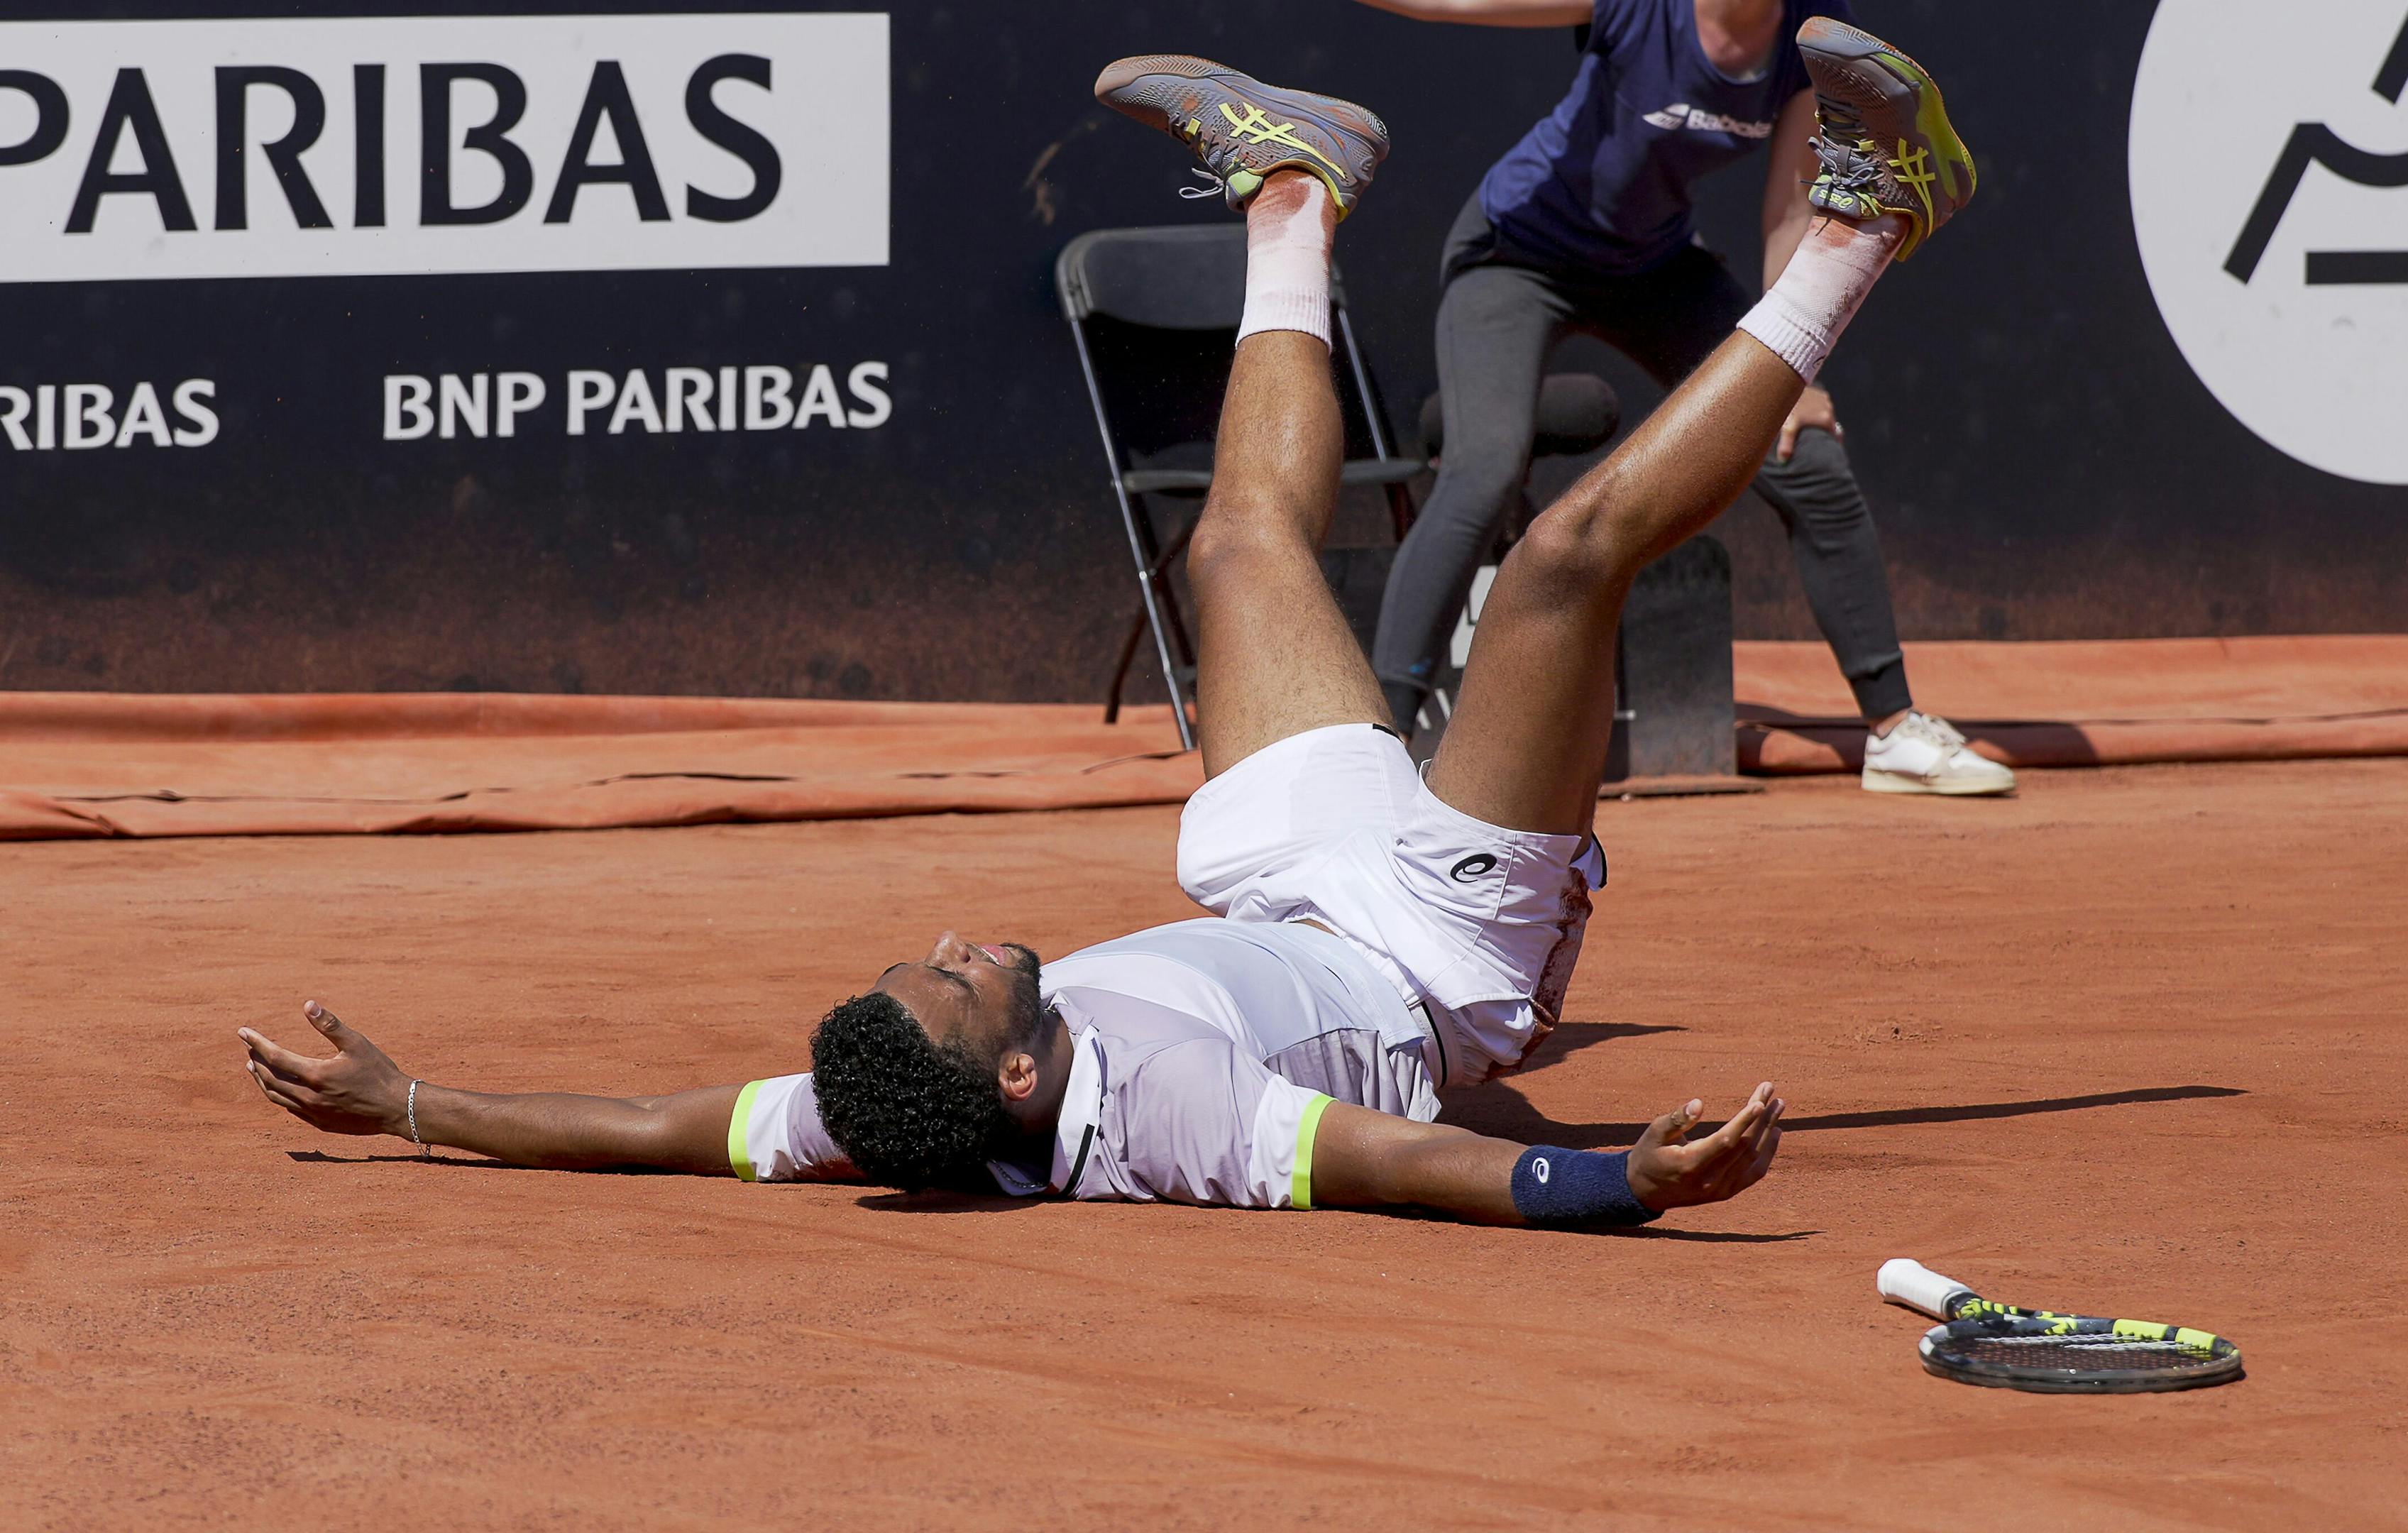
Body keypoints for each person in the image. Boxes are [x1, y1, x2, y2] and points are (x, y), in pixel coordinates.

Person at [240, 23, 1975, 1227]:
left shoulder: (882, 1101)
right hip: (1431, 960)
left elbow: (642, 1126)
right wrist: (1618, 1179)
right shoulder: (1170, 1117)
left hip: (1274, 878)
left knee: (1231, 547)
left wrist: (411, 1102)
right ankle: (1863, 227)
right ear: (1013, 1083)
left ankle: (1290, 192)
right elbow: (1417, 1168)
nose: (953, 939)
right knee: (1563, 561)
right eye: (956, 981)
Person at [1351, 0, 2012, 796]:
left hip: (1655, 269)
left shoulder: (1813, 37)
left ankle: (1895, 732)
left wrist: (1794, 376)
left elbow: (1790, 208)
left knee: (1807, 454)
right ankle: (1374, 752)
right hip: (1516, 252)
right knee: (1484, 473)